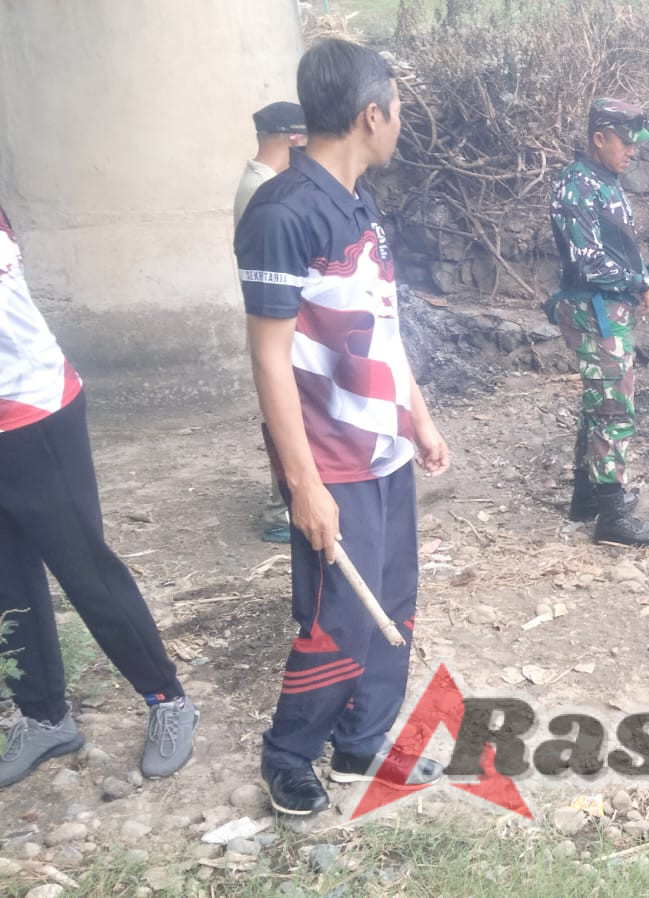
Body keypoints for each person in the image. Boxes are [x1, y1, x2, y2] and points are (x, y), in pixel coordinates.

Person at [234, 37, 451, 816]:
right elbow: (268, 357)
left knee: (392, 600)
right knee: (340, 618)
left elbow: (381, 326)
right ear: (370, 115)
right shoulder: (282, 213)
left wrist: (418, 417)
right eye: (397, 108)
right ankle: (289, 753)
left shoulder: (359, 205)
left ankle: (364, 741)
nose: (400, 122)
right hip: (331, 458)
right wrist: (303, 485)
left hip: (382, 447)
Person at [0, 202, 198, 789]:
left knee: (84, 569)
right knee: (8, 584)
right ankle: (44, 718)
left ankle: (168, 699)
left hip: (33, 413)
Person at [546, 98, 649, 548]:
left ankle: (588, 497)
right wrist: (644, 285)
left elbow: (621, 249)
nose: (633, 151)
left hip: (609, 308)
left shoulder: (604, 181)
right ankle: (613, 517)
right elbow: (591, 261)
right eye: (625, 142)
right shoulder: (576, 185)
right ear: (599, 138)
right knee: (614, 408)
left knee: (599, 404)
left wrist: (643, 283)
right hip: (593, 309)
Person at [234, 100, 308, 545]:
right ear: (295, 138)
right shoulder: (267, 193)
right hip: (280, 323)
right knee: (288, 416)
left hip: (279, 320)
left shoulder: (260, 181)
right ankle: (283, 511)